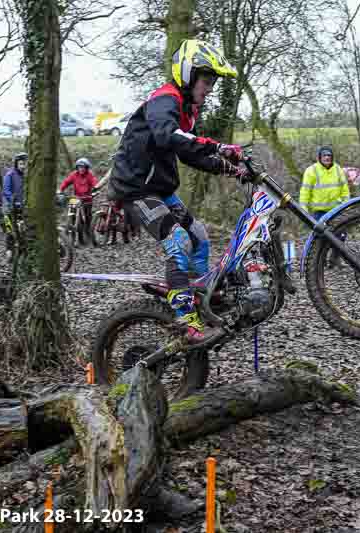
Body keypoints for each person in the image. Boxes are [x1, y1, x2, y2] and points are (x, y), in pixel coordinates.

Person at [107, 39, 246, 344]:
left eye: (212, 82)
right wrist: (219, 146)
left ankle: (198, 300)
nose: (209, 88)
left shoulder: (185, 110)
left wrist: (232, 169)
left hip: (158, 189)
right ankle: (184, 318)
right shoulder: (163, 100)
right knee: (178, 240)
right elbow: (167, 135)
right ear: (188, 73)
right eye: (207, 80)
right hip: (135, 190)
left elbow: (189, 152)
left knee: (199, 236)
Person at [299, 146, 350, 221]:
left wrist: (346, 206)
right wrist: (303, 210)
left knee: (340, 232)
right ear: (319, 157)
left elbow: (345, 191)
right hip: (319, 213)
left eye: (329, 155)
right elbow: (305, 192)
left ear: (332, 157)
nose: (327, 158)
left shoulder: (338, 169)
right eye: (324, 155)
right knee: (320, 233)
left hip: (337, 211)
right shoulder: (311, 170)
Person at [57, 157, 101, 246]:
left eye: (83, 167)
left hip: (87, 198)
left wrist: (95, 190)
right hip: (76, 198)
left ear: (86, 168)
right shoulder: (74, 175)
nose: (81, 169)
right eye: (80, 167)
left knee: (88, 217)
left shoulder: (89, 175)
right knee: (72, 214)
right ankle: (72, 232)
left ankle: (89, 233)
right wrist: (60, 190)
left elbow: (95, 183)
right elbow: (66, 182)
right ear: (77, 167)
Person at [2, 153, 27, 254]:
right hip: (9, 206)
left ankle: (21, 248)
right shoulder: (10, 175)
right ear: (16, 164)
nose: (23, 166)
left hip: (22, 206)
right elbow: (6, 191)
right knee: (10, 230)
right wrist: (14, 201)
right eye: (21, 164)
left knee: (23, 228)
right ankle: (9, 251)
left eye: (25, 164)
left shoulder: (26, 175)